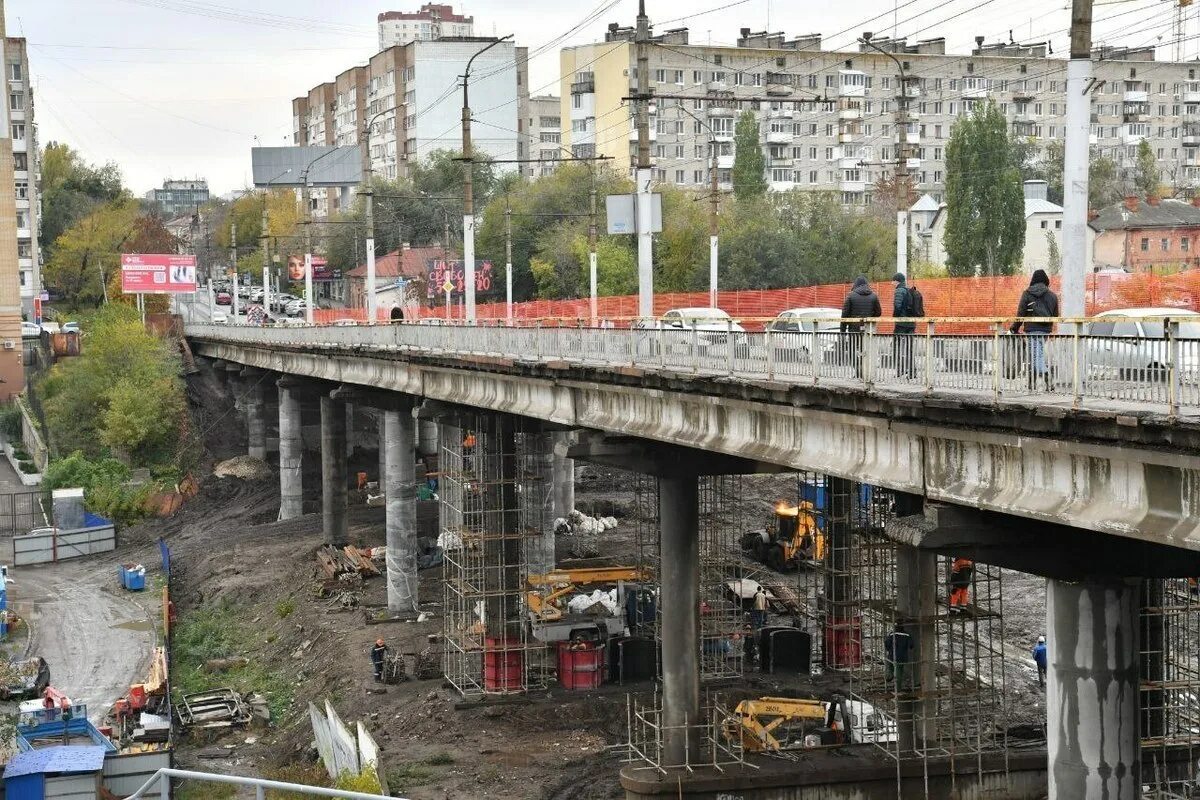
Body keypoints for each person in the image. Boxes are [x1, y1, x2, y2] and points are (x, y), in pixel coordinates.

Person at [1010, 269, 1059, 391]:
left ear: (1033, 280)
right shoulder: (1052, 296)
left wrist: (1014, 328)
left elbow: (1021, 313)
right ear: (1045, 280)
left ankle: (1047, 375)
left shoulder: (1027, 293)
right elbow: (1056, 315)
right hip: (1045, 330)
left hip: (1031, 329)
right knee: (1036, 355)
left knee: (1036, 356)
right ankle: (1031, 384)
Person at [841, 276, 881, 378]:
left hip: (854, 329)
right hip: (868, 329)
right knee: (866, 351)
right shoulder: (874, 296)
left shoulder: (850, 296)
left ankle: (858, 370)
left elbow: (844, 315)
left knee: (851, 350)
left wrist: (843, 331)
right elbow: (879, 312)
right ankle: (867, 373)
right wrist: (870, 320)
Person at [892, 273, 917, 379]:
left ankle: (900, 369)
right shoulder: (908, 290)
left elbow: (897, 306)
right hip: (911, 323)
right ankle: (912, 371)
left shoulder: (899, 291)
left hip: (901, 323)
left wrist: (895, 317)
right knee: (909, 348)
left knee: (896, 346)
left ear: (897, 281)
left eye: (893, 281)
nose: (891, 283)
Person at [884, 623, 913, 691]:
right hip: (902, 656)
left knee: (890, 665)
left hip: (892, 655)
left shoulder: (892, 634)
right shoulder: (907, 635)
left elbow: (887, 643)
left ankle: (890, 675)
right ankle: (898, 688)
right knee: (899, 671)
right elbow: (911, 645)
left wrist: (889, 649)